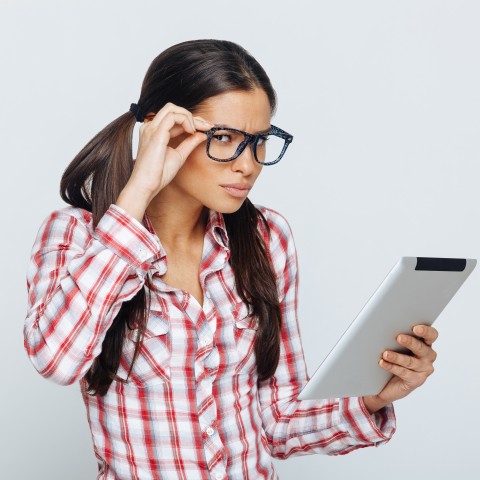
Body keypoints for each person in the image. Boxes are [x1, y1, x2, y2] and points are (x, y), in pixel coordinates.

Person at [24, 39, 438, 480]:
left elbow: (277, 422)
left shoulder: (266, 238)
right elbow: (56, 359)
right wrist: (138, 192)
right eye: (224, 138)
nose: (249, 165)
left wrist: (372, 398)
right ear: (162, 130)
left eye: (259, 142)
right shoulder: (77, 236)